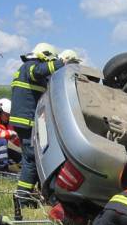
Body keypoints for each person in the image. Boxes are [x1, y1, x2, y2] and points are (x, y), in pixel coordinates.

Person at [10, 43, 79, 200]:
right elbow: (40, 71)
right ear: (45, 55)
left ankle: (27, 194)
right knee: (32, 159)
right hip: (26, 121)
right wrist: (62, 62)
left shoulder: (26, 69)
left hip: (23, 121)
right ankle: (22, 198)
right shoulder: (30, 66)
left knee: (31, 158)